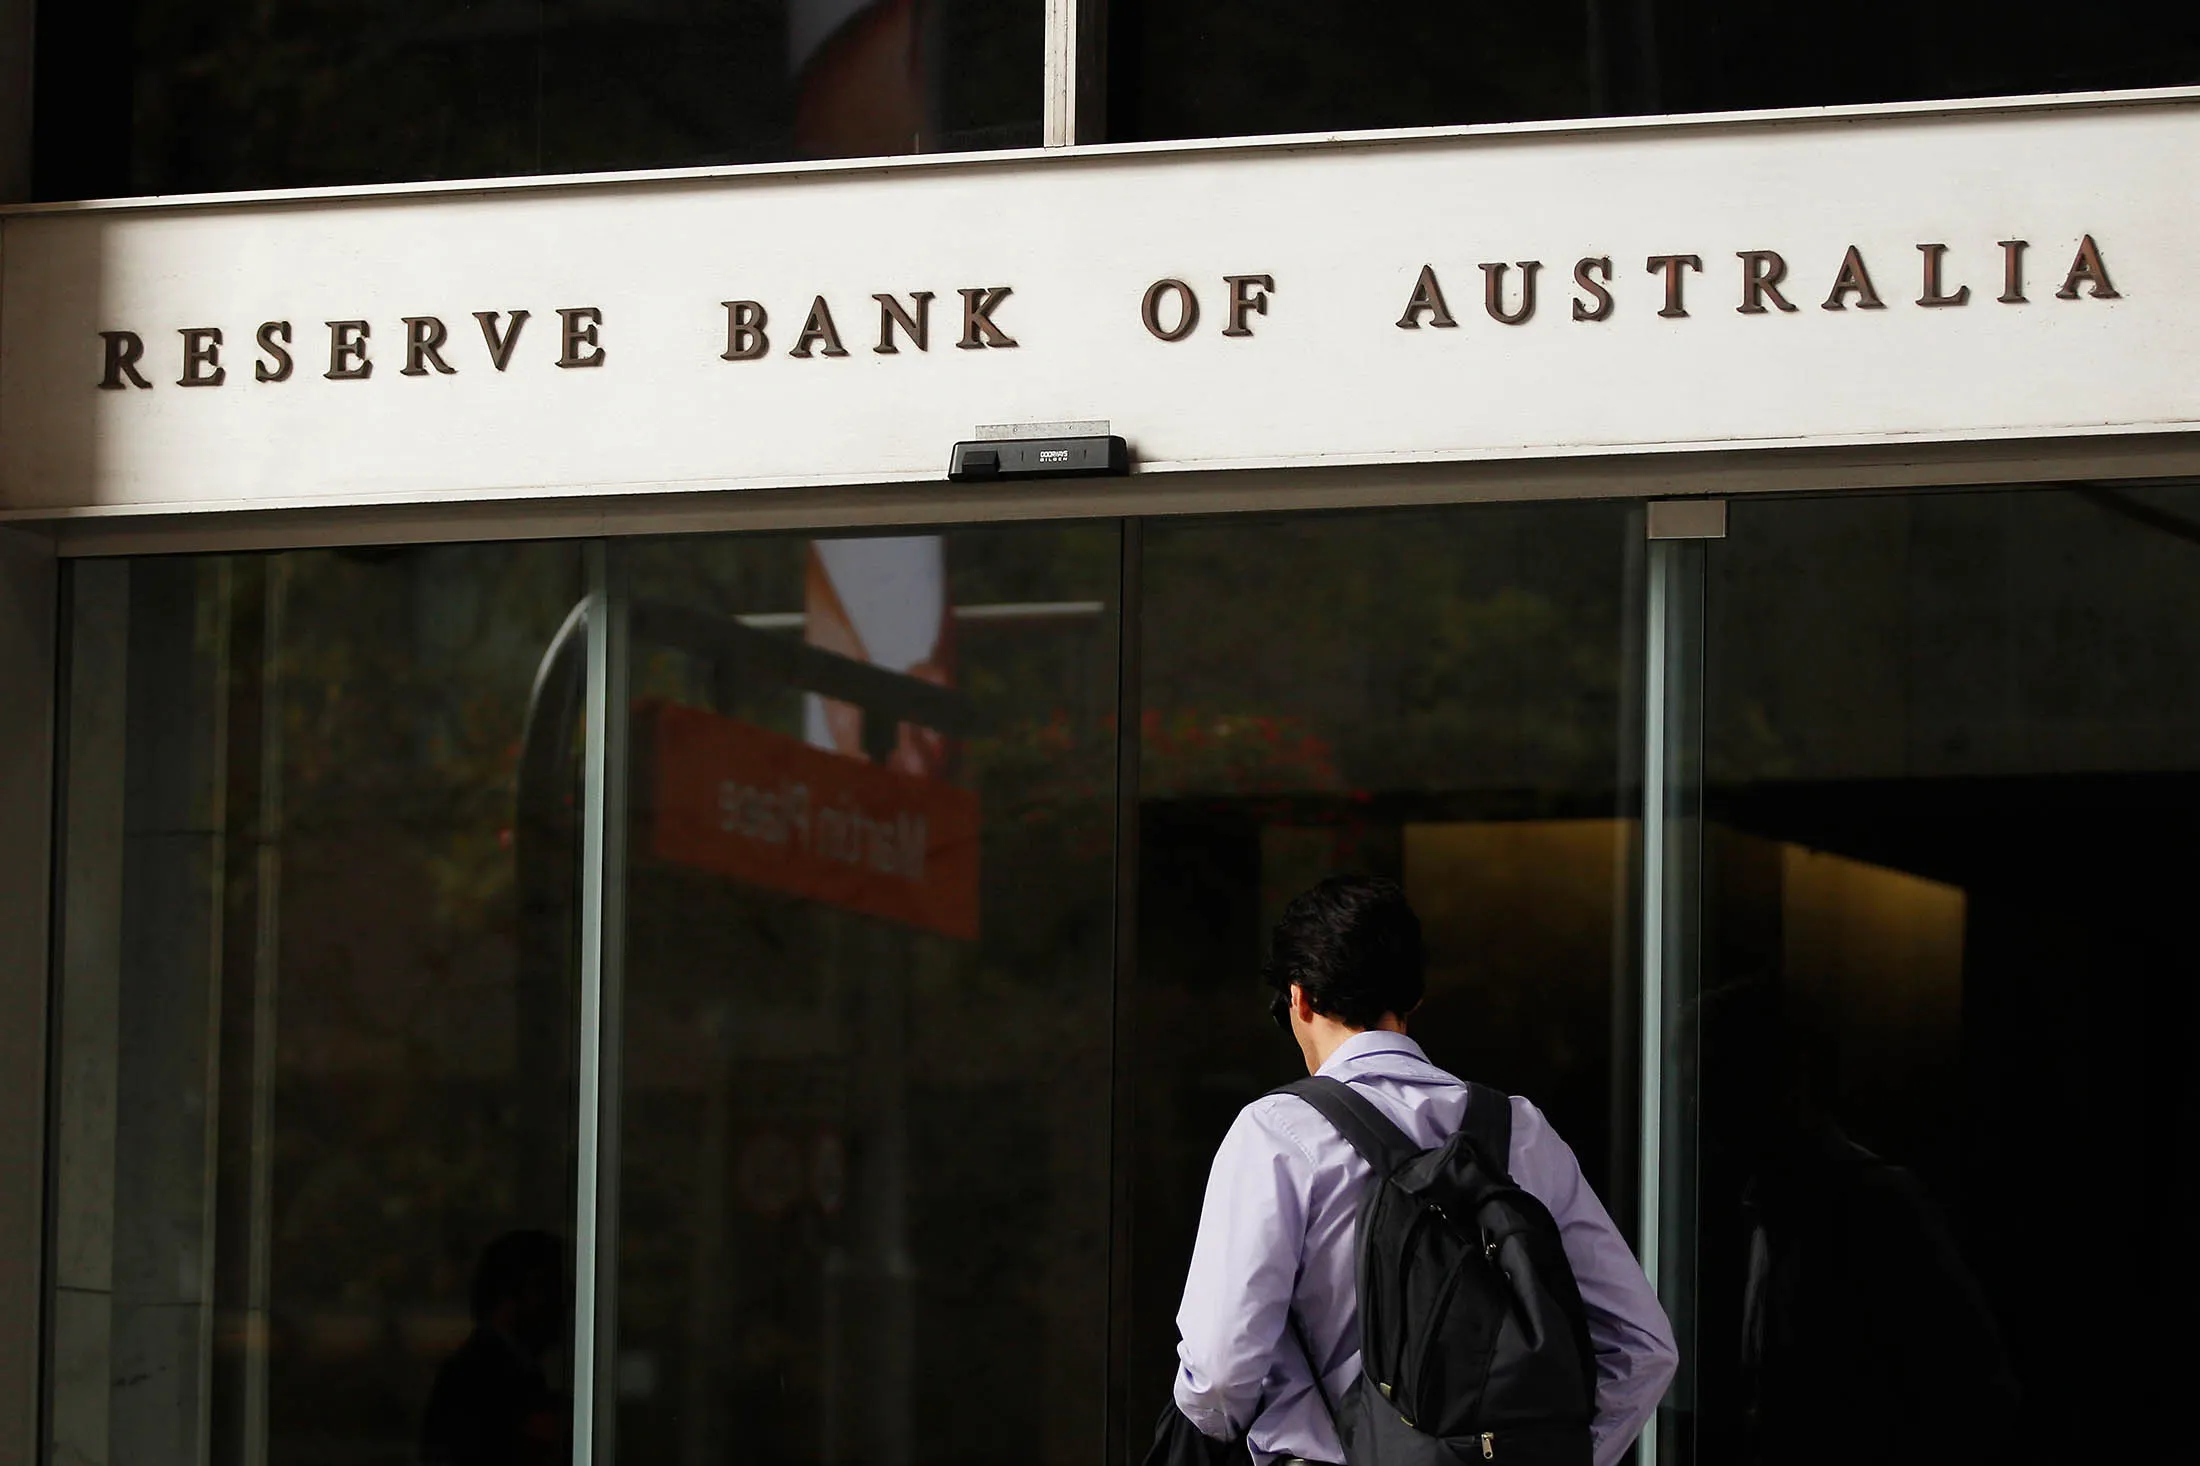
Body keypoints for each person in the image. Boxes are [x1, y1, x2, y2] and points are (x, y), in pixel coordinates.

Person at [1173, 876, 1677, 1466]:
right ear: (1412, 999)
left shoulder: (1278, 1133)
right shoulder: (1520, 1130)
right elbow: (1644, 1349)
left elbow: (1219, 1369)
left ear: (1299, 1000)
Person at [420, 1230, 570, 1466]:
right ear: (509, 1298)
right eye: (550, 1289)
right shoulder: (481, 1375)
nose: (564, 1305)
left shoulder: (495, 1369)